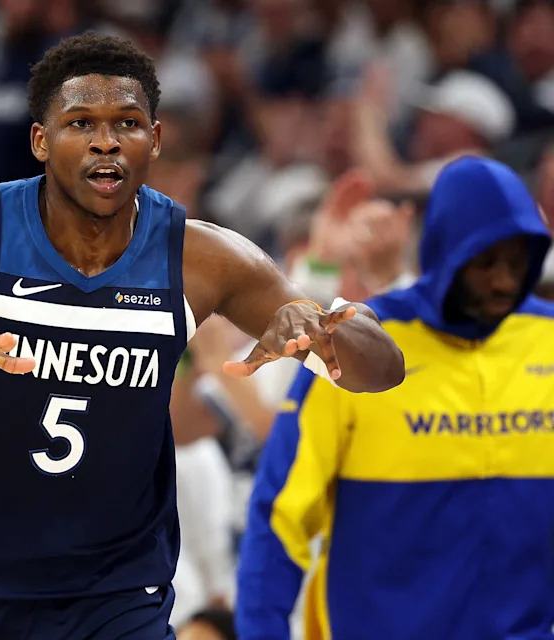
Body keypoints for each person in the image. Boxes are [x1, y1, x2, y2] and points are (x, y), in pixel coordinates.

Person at [0, 32, 404, 639]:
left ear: (155, 139)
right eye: (81, 124)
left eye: (127, 123)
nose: (106, 143)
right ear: (41, 141)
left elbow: (384, 369)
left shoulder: (201, 260)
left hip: (117, 597)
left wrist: (326, 328)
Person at [236, 156, 554, 640]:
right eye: (486, 262)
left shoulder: (546, 338)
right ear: (447, 249)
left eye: (518, 262)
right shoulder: (358, 342)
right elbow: (280, 515)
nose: (505, 281)